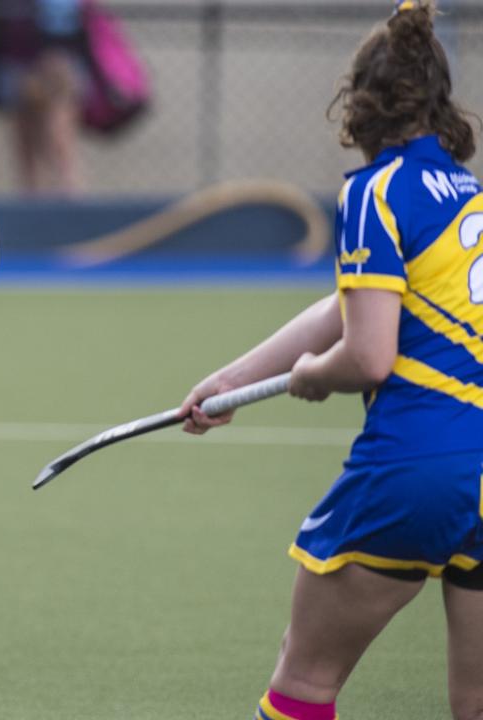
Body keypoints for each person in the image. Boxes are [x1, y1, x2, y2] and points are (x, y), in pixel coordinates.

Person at [180, 3, 483, 718]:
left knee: (305, 679)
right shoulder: (470, 197)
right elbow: (345, 309)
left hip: (417, 465)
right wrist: (235, 379)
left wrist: (314, 378)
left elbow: (368, 353)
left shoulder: (376, 191)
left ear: (359, 104)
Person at [0, 0, 83, 194]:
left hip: (51, 48)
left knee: (57, 128)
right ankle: (32, 197)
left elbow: (64, 11)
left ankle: (67, 191)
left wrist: (56, 46)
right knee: (24, 133)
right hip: (12, 53)